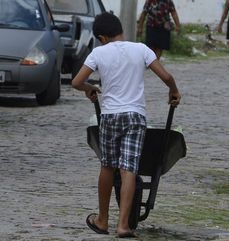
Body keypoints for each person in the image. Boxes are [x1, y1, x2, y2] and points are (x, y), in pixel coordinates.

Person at [72, 12, 181, 238]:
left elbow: (76, 81)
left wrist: (90, 89)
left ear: (102, 37)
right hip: (135, 116)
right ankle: (123, 225)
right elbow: (166, 76)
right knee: (128, 168)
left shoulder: (98, 52)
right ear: (120, 30)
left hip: (110, 116)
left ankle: (102, 220)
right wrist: (174, 91)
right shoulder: (141, 49)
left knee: (107, 167)